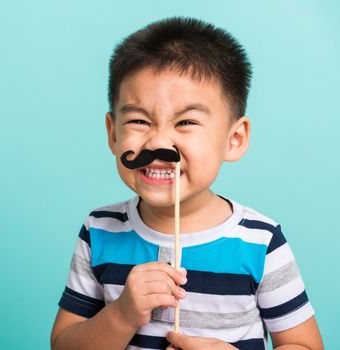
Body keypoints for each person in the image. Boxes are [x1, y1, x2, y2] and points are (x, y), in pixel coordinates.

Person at [50, 17, 323, 350]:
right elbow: (64, 344)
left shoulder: (260, 242)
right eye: (139, 120)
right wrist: (122, 315)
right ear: (113, 133)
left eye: (186, 122)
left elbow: (305, 345)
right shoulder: (100, 231)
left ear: (234, 139)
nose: (157, 142)